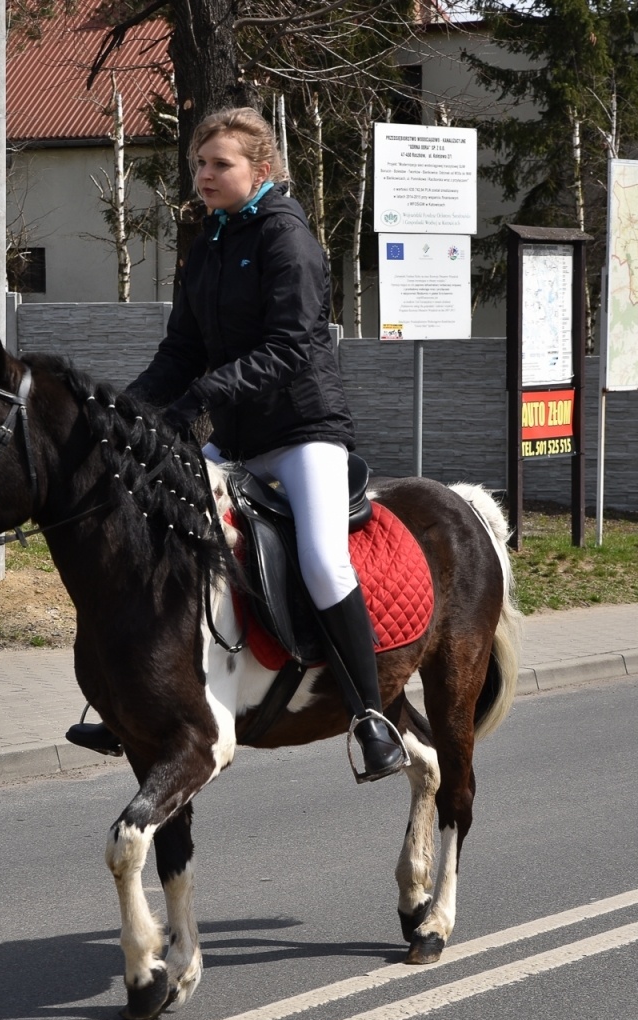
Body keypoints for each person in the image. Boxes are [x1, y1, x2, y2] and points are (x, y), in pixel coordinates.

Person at [66, 107, 406, 783]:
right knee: (154, 530)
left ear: (262, 169)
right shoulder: (209, 245)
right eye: (198, 164)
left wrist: (201, 400)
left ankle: (371, 717)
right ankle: (130, 695)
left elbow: (291, 345)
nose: (204, 176)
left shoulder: (287, 238)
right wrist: (124, 412)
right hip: (238, 440)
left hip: (303, 432)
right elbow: (181, 351)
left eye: (220, 163)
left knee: (321, 560)